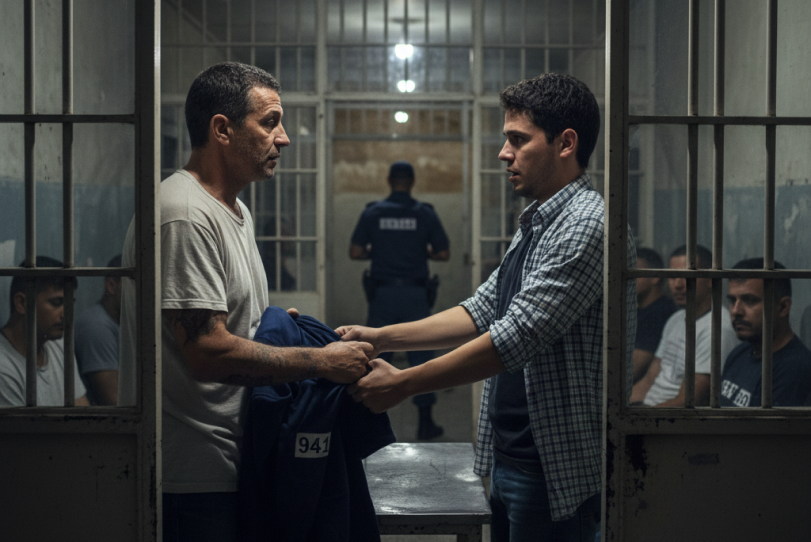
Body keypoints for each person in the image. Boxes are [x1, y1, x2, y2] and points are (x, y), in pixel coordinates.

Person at [339, 73, 636, 541]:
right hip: (510, 455)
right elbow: (482, 308)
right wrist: (381, 337)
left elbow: (515, 337)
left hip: (553, 468)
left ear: (566, 143)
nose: (503, 153)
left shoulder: (587, 225)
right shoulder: (538, 221)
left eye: (518, 139)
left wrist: (403, 383)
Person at [117, 62, 372, 542]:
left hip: (234, 460)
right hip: (194, 477)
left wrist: (277, 328)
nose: (284, 139)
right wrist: (321, 361)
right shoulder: (184, 215)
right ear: (222, 129)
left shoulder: (234, 210)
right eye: (270, 122)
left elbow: (229, 324)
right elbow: (206, 352)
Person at [349, 160, 450, 440]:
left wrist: (380, 251)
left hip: (383, 295)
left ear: (390, 181)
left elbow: (355, 252)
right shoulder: (424, 213)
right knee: (422, 355)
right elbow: (443, 254)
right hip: (415, 295)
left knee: (375, 352)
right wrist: (418, 251)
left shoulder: (373, 212)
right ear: (412, 182)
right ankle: (425, 423)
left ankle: (366, 421)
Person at [631, 245, 739, 407]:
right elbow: (648, 380)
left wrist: (638, 417)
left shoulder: (717, 329)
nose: (677, 285)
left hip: (669, 418)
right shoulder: (675, 319)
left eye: (686, 276)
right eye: (673, 277)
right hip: (648, 409)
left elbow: (688, 401)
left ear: (710, 279)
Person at [0, 256, 89, 407]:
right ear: (22, 303)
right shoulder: (4, 368)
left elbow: (83, 411)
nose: (67, 314)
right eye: (57, 303)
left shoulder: (60, 345)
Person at [721, 258, 811, 407]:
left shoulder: (795, 369)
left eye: (749, 300)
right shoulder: (740, 353)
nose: (736, 311)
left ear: (783, 307)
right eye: (732, 300)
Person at [74, 254, 122, 406]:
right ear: (111, 285)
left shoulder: (122, 322)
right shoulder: (96, 326)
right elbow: (113, 400)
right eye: (135, 286)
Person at [633, 247, 678, 383]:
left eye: (635, 272)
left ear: (655, 277)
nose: (628, 278)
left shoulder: (660, 313)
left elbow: (632, 370)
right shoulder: (639, 310)